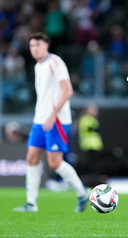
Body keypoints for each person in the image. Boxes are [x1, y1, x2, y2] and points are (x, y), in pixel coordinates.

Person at [14, 32, 90, 213]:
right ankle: (31, 203)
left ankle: (82, 193)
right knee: (32, 157)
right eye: (32, 46)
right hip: (40, 119)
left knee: (54, 163)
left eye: (38, 45)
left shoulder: (55, 63)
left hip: (55, 119)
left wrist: (52, 114)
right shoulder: (38, 66)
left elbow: (67, 90)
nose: (34, 49)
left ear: (46, 46)